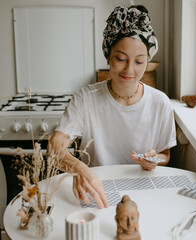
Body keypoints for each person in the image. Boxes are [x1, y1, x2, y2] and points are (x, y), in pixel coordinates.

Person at [49, 5, 177, 208]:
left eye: (139, 62)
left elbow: (165, 155)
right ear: (108, 56)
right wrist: (79, 169)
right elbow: (55, 147)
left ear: (148, 62)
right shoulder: (85, 98)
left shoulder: (160, 102)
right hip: (96, 193)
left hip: (143, 195)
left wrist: (154, 160)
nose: (129, 69)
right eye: (120, 59)